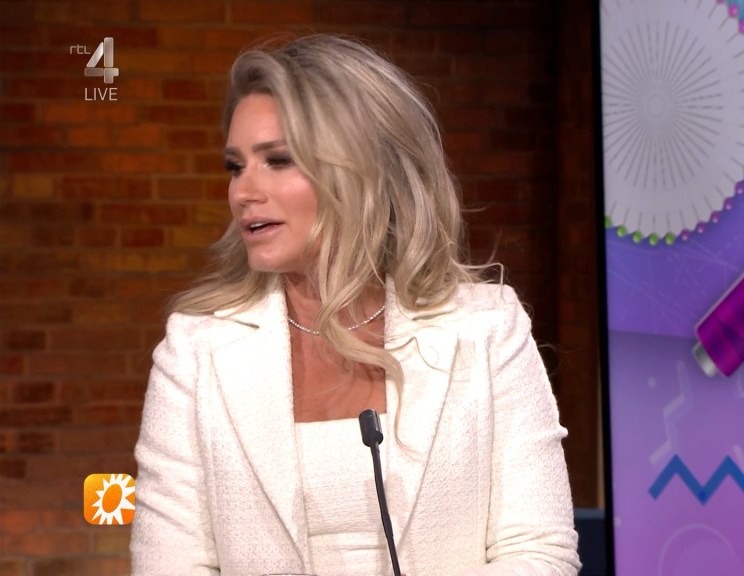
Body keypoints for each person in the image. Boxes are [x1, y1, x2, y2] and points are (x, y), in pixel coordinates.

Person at [130, 34, 581, 576]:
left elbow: (539, 552)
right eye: (235, 166)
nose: (243, 192)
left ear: (363, 169)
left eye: (278, 160)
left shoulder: (485, 329)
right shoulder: (195, 351)